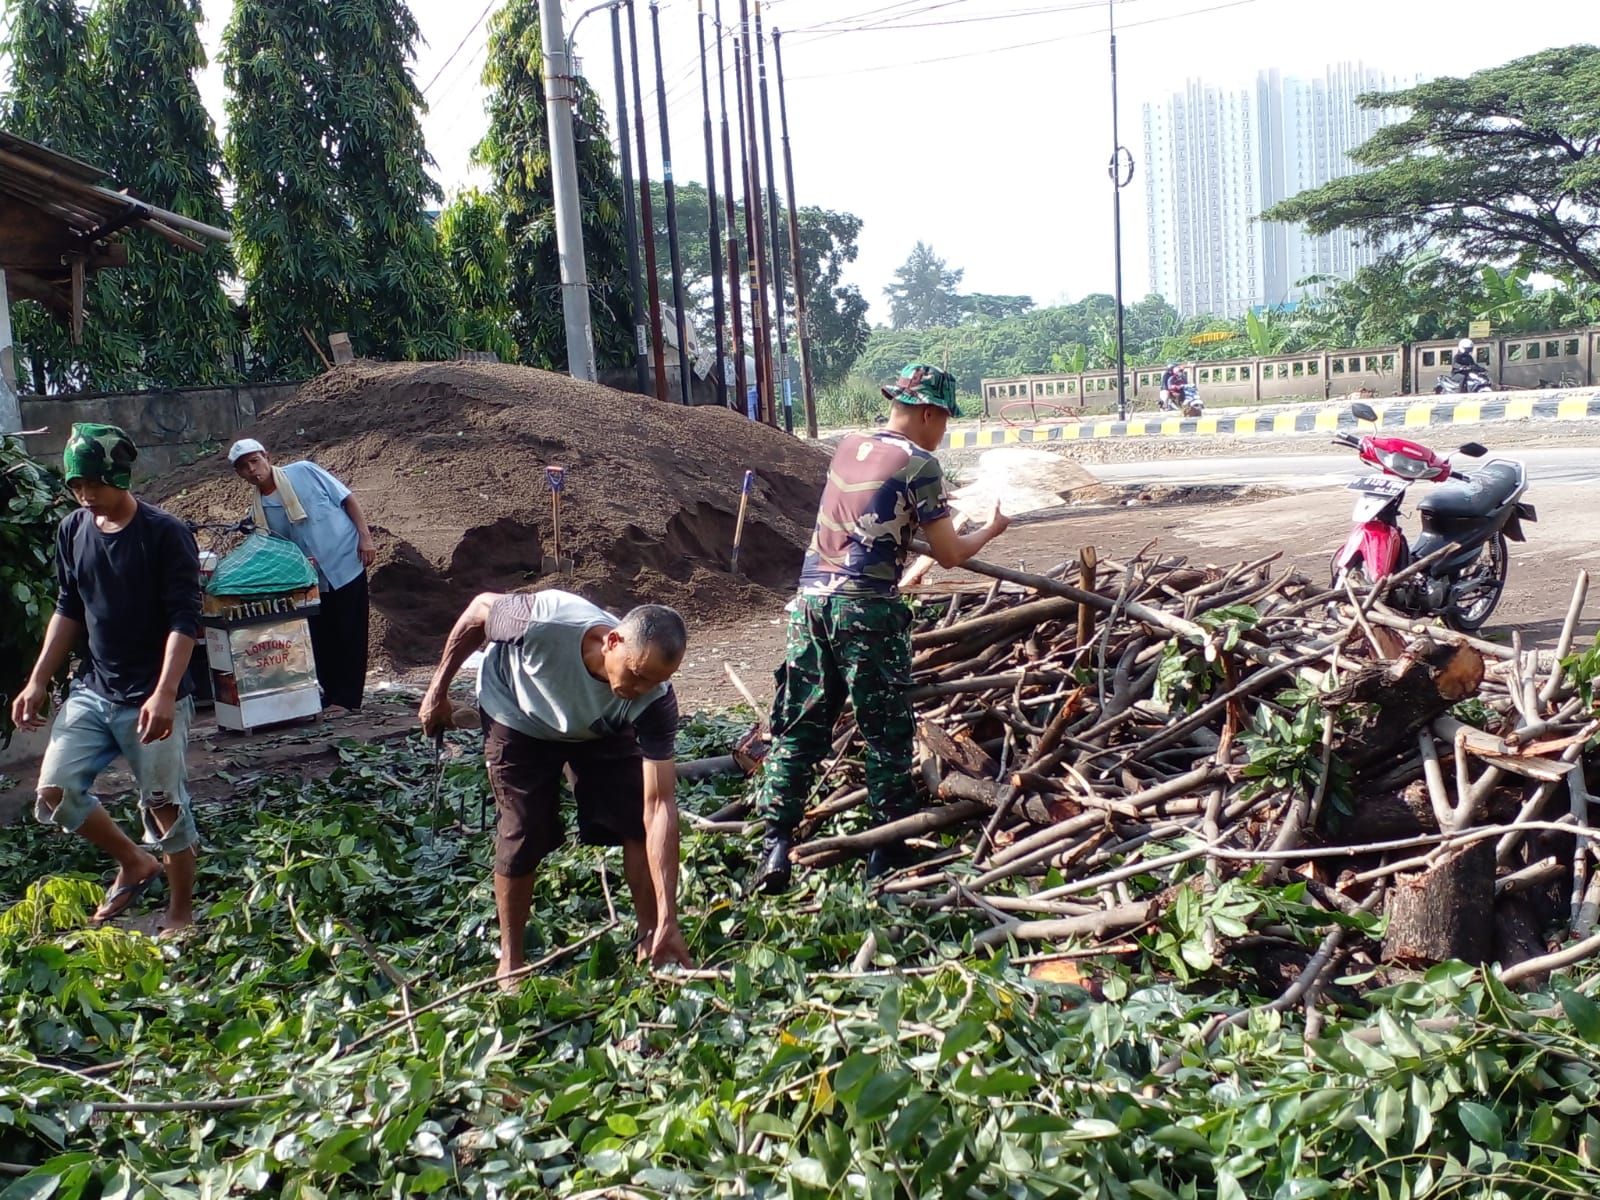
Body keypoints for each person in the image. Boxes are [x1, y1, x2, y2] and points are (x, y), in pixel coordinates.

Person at [751, 363, 1010, 895]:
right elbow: (950, 555)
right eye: (944, 421)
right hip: (864, 610)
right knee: (885, 735)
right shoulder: (921, 463)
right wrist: (992, 528)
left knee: (800, 728)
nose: (944, 431)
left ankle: (775, 842)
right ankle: (885, 852)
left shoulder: (849, 446)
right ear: (928, 413)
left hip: (809, 605)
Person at [419, 590, 693, 984]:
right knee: (524, 827)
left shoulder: (652, 699)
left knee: (635, 818)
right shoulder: (545, 623)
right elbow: (478, 609)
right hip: (517, 711)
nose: (640, 688)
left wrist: (671, 916)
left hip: (598, 726)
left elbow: (660, 806)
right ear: (612, 641)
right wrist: (437, 692)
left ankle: (652, 937)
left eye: (655, 682)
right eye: (635, 674)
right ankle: (511, 963)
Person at [11, 424, 202, 933]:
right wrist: (36, 682)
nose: (86, 495)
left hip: (153, 696)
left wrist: (164, 694)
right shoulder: (72, 530)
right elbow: (67, 608)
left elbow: (186, 620)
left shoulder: (165, 534)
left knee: (164, 805)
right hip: (94, 689)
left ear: (120, 476)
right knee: (54, 791)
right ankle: (135, 862)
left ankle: (181, 911)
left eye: (95, 483)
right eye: (77, 486)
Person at [228, 439, 374, 711]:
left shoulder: (305, 472)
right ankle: (329, 695)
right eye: (244, 467)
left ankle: (349, 699)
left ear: (266, 457)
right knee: (322, 637)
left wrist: (365, 538)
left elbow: (347, 498)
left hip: (345, 560)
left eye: (255, 461)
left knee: (350, 632)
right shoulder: (258, 512)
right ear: (240, 474)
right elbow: (274, 547)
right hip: (310, 579)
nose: (253, 470)